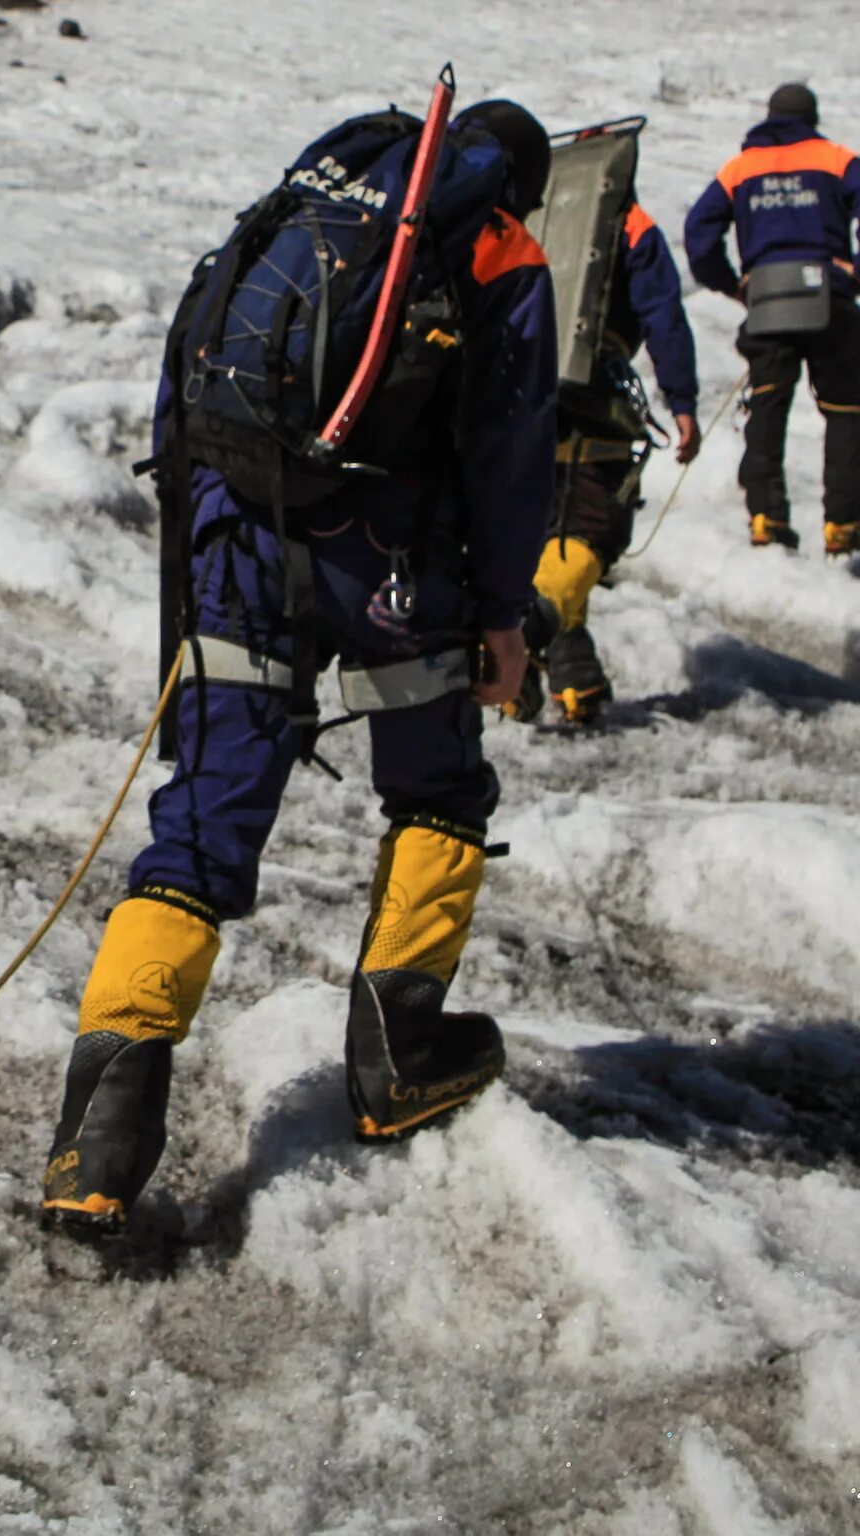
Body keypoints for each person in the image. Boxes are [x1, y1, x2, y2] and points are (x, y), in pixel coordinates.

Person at [39, 98, 557, 1236]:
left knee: (201, 824)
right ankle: (399, 1057)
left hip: (241, 527)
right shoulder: (500, 244)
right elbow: (511, 451)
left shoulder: (323, 200)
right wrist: (506, 615)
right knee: (437, 790)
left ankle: (96, 1145)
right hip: (393, 561)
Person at [681, 83, 860, 556]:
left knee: (768, 406)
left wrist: (733, 285)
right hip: (829, 298)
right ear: (812, 117)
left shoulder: (741, 168)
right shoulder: (836, 159)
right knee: (842, 410)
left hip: (768, 301)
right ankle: (844, 521)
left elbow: (699, 232)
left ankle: (767, 517)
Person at [520, 194, 700, 725]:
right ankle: (520, 635)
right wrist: (682, 401)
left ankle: (573, 682)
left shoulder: (528, 216)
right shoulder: (630, 224)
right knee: (589, 530)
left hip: (514, 395)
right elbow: (662, 314)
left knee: (540, 538)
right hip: (595, 396)